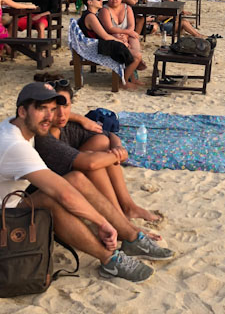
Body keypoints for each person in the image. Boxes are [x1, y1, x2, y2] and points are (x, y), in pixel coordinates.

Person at [0, 82, 169, 284]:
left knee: (76, 178)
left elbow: (69, 178)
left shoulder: (15, 125)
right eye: (42, 109)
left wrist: (80, 119)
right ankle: (109, 259)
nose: (49, 116)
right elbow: (63, 194)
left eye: (52, 109)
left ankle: (132, 237)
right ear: (23, 111)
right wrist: (102, 223)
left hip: (8, 210)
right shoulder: (13, 145)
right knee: (53, 200)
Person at [32, 74, 161, 233]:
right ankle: (120, 220)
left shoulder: (66, 126)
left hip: (73, 181)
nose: (61, 114)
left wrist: (118, 146)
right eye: (53, 108)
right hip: (52, 192)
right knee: (97, 162)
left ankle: (128, 207)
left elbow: (108, 134)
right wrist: (118, 155)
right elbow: (90, 163)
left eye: (65, 106)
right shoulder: (44, 138)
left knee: (102, 143)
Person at [77, 0, 142, 90]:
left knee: (131, 49)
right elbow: (105, 36)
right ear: (90, 2)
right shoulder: (90, 17)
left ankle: (132, 79)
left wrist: (120, 38)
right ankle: (122, 82)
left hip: (98, 44)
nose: (101, 0)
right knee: (137, 56)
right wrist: (119, 41)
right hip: (96, 47)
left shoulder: (91, 15)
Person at [98, 0, 146, 72]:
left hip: (125, 34)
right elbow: (110, 28)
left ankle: (136, 61)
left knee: (133, 38)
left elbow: (131, 26)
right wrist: (126, 33)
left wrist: (126, 35)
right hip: (111, 35)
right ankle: (137, 61)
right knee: (124, 37)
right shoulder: (104, 10)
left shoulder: (127, 8)